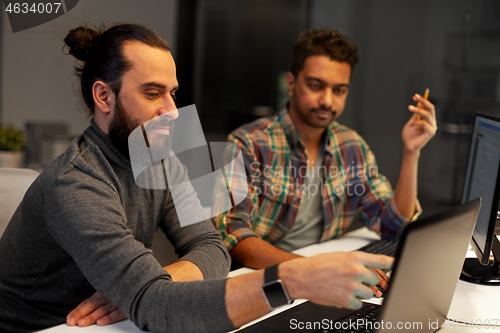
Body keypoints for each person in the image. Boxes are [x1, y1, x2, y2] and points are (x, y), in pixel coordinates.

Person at [0, 24, 394, 333]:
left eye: (172, 93)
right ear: (104, 97)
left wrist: (153, 282)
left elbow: (212, 246)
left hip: (117, 322)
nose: (172, 111)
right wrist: (290, 280)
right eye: (153, 93)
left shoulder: (161, 155)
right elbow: (158, 308)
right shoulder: (77, 183)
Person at [213, 27, 437, 269]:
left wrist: (411, 152)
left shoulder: (351, 146)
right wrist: (316, 271)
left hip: (320, 270)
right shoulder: (247, 144)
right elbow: (234, 236)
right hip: (264, 278)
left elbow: (393, 224)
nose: (327, 100)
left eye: (339, 90)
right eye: (316, 86)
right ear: (291, 84)